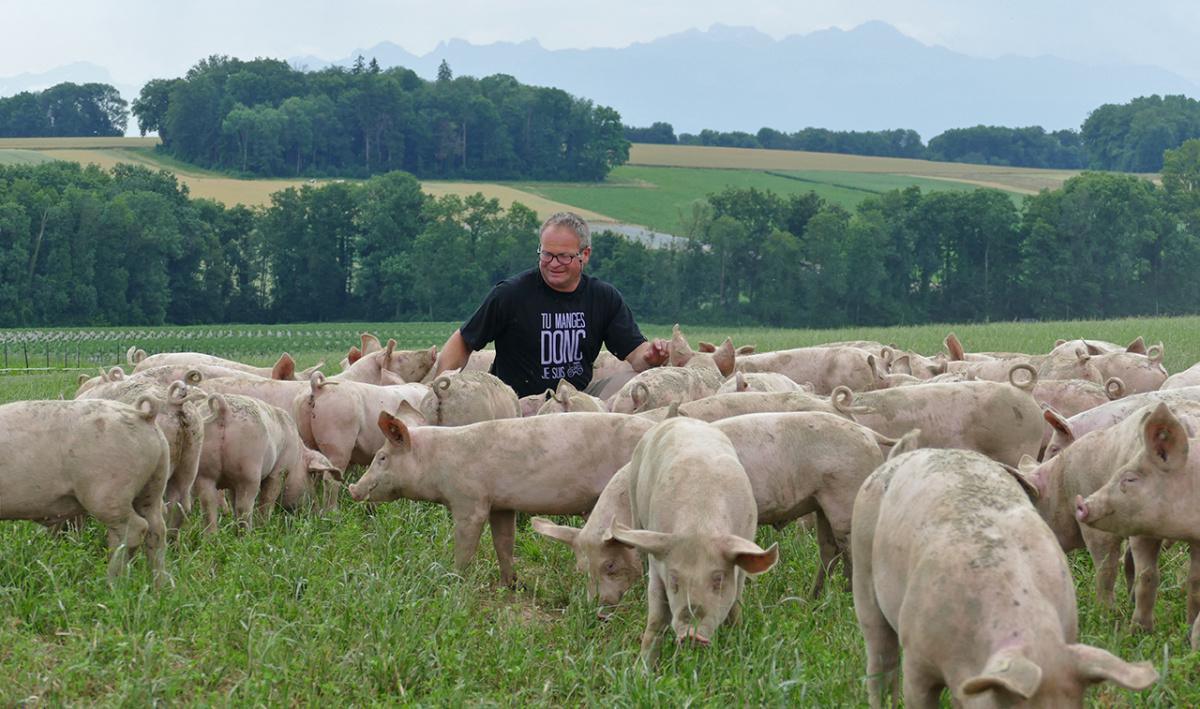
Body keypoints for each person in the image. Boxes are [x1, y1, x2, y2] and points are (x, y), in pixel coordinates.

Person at [435, 211, 668, 397]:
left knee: (636, 382)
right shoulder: (511, 294)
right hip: (516, 401)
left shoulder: (603, 297)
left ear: (584, 255)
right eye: (546, 255)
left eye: (564, 256)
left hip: (577, 399)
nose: (553, 264)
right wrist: (440, 386)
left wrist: (651, 356)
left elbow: (635, 354)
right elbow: (464, 340)